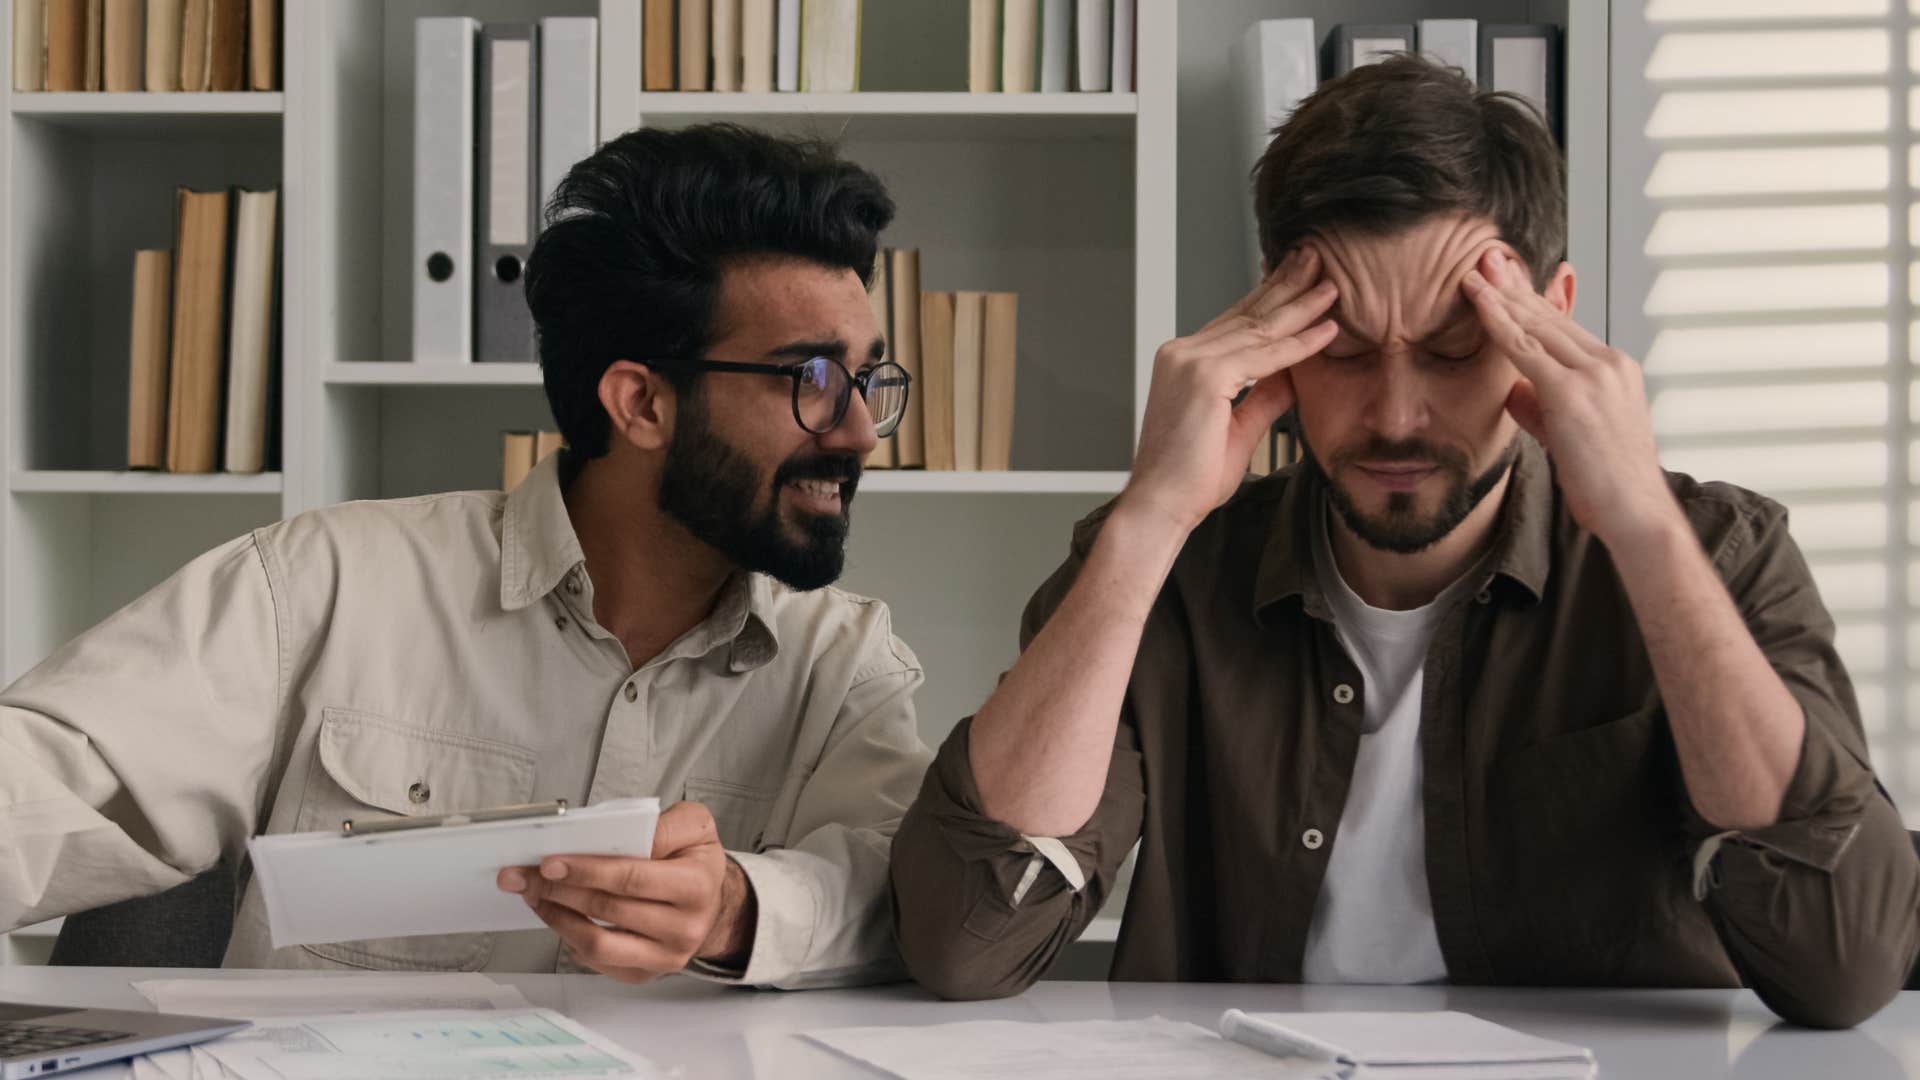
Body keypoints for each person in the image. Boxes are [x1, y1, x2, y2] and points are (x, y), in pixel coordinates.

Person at [890, 57, 1920, 1027]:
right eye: (1342, 348)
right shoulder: (1168, 568)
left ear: (1550, 322)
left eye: (1455, 347)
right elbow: (964, 941)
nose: (1395, 414)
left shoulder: (1717, 553)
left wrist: (1643, 531)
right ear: (1271, 329)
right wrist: (1150, 516)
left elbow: (1842, 963)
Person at [0, 123, 930, 988]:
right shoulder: (325, 587)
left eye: (866, 379)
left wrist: (739, 910)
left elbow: (917, 904)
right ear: (641, 403)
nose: (859, 430)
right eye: (810, 378)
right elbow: (43, 779)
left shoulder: (844, 668)